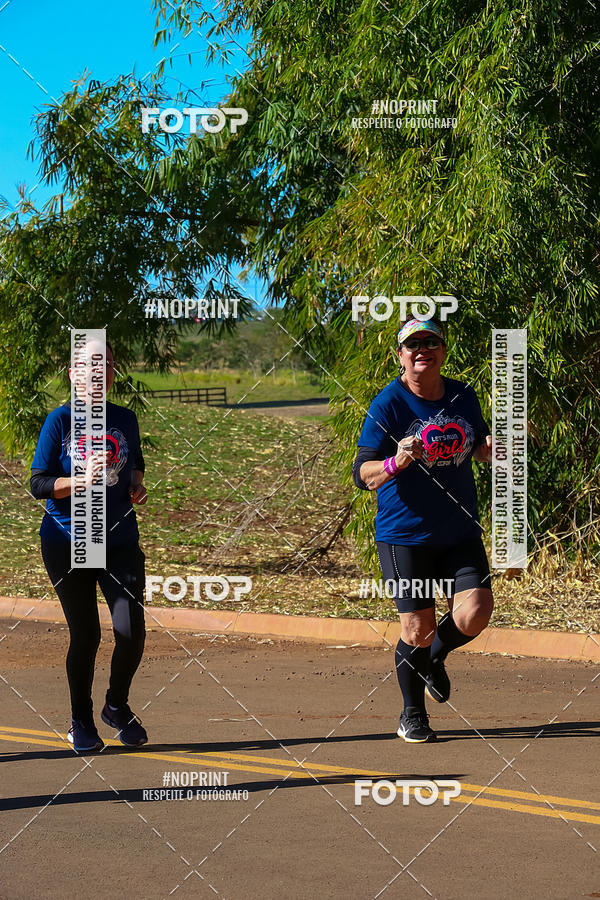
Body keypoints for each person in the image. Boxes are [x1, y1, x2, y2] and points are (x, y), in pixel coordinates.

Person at [353, 317, 494, 743]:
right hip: (405, 536)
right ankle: (412, 713)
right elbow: (363, 474)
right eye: (412, 344)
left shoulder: (463, 395)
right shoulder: (388, 403)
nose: (422, 350)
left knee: (475, 612)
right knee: (417, 629)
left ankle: (435, 657)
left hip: (459, 531)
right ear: (400, 355)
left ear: (442, 351)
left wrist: (498, 447)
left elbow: (481, 446)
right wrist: (397, 461)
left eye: (430, 342)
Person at [30, 339, 149, 753]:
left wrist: (136, 487)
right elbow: (38, 483)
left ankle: (116, 706)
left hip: (118, 540)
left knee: (129, 629)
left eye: (108, 364)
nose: (101, 372)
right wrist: (80, 482)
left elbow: (134, 466)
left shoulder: (125, 419)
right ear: (73, 374)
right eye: (91, 365)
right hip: (69, 537)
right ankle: (80, 720)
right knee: (87, 634)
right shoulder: (59, 421)